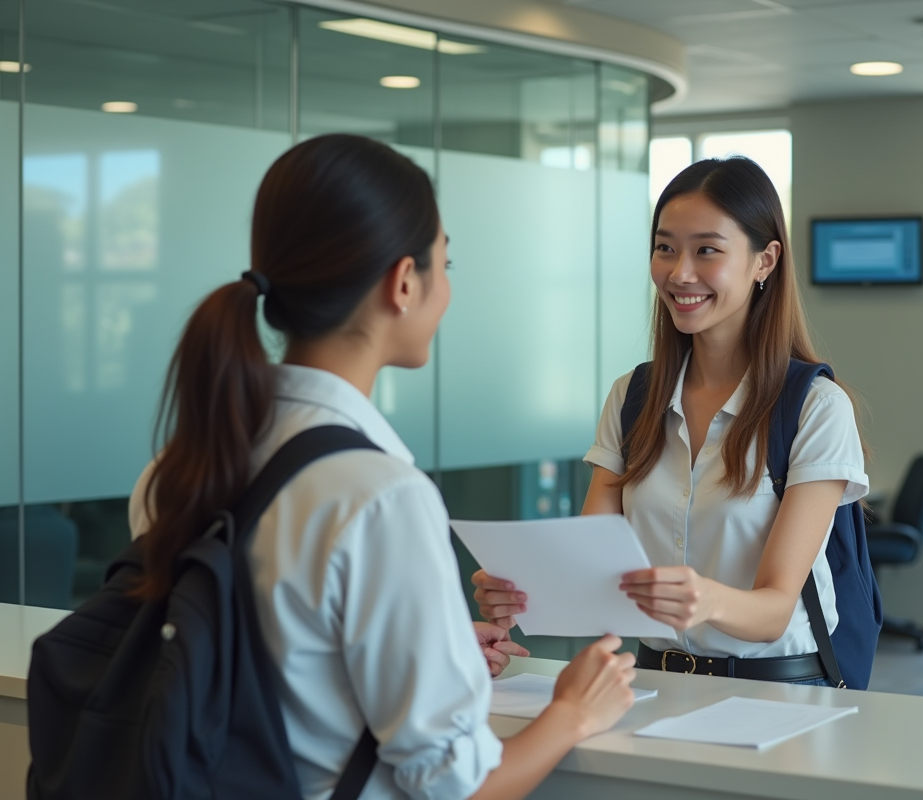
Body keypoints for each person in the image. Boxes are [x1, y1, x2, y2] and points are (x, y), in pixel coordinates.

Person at [127, 134, 636, 800]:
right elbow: (462, 788)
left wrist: (441, 654)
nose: (446, 289)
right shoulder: (380, 497)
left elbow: (266, 671)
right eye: (443, 264)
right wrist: (572, 711)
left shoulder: (178, 465)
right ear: (403, 283)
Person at [474, 157, 868, 685]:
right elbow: (593, 567)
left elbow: (774, 609)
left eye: (707, 250)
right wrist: (521, 594)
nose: (680, 272)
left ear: (765, 261)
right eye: (665, 248)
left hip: (778, 687)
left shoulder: (815, 407)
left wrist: (705, 600)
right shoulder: (632, 397)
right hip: (656, 680)